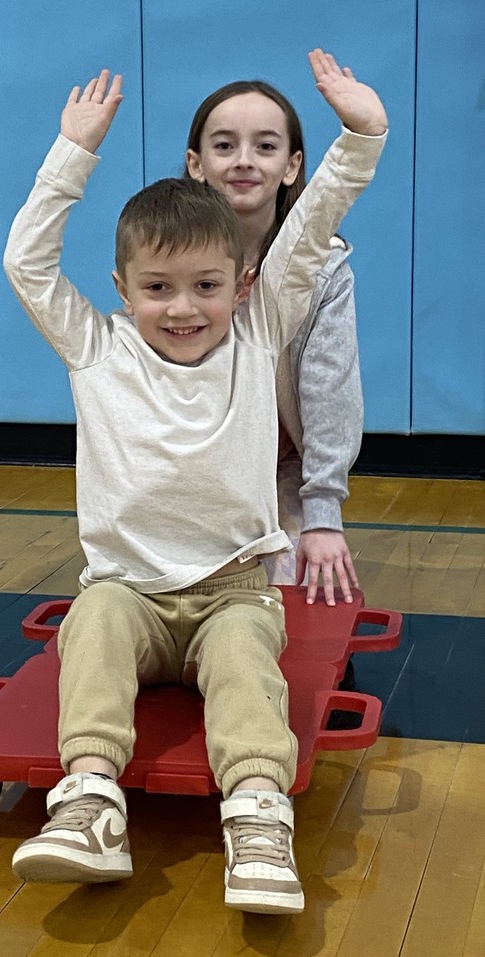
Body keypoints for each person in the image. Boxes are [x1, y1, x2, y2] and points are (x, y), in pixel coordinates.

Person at [3, 50, 387, 914]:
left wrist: (361, 136)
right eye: (158, 288)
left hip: (232, 591)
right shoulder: (95, 348)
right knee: (91, 629)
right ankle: (90, 804)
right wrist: (72, 154)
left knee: (250, 665)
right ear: (121, 289)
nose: (183, 308)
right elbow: (27, 264)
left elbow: (311, 228)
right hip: (127, 588)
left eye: (206, 286)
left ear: (244, 285)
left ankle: (257, 821)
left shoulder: (260, 332)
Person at [185, 77, 366, 606]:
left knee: (290, 599)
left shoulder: (322, 269)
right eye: (225, 145)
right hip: (186, 467)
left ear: (291, 166)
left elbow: (330, 390)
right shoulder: (163, 251)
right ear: (196, 163)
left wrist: (322, 515)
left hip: (277, 468)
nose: (244, 161)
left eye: (265, 146)